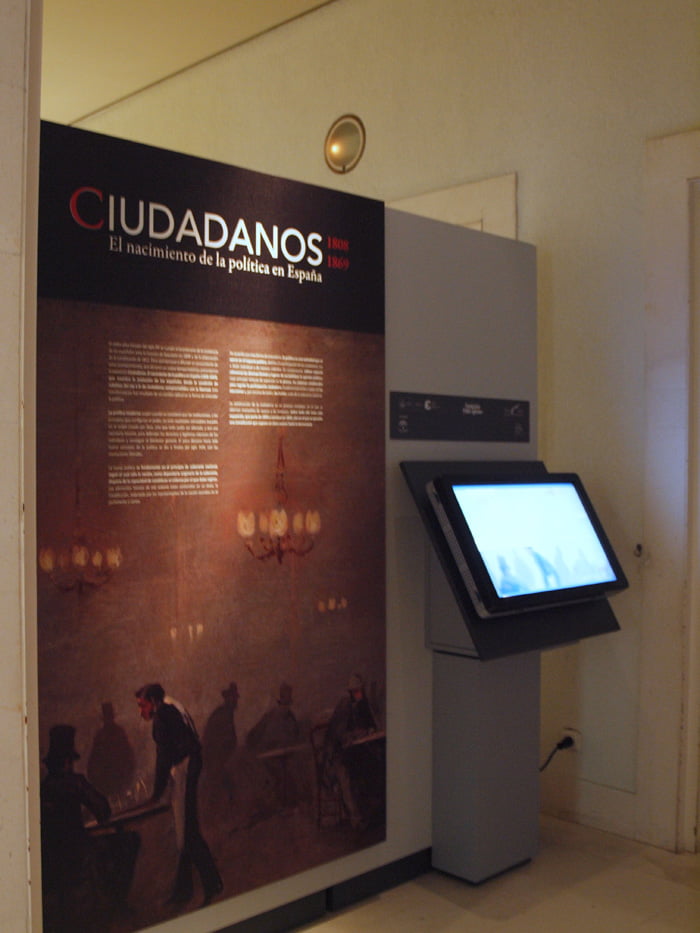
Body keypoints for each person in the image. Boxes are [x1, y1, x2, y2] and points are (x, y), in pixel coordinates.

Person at [40, 724, 139, 932]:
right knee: (129, 841)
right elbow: (103, 811)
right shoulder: (75, 782)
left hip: (52, 860)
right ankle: (117, 904)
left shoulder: (44, 788)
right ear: (67, 761)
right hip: (79, 854)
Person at [135, 683, 223, 908]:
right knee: (184, 833)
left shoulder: (162, 715)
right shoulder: (171, 706)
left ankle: (210, 885)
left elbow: (164, 757)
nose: (141, 711)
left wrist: (156, 793)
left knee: (187, 832)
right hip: (187, 766)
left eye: (143, 706)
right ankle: (185, 889)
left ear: (153, 701)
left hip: (185, 767)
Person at [323, 674, 377, 829]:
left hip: (355, 751)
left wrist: (368, 730)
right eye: (355, 691)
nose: (358, 694)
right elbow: (338, 735)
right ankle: (356, 817)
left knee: (372, 765)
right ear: (351, 692)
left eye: (360, 691)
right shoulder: (344, 706)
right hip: (337, 756)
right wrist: (354, 734)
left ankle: (371, 811)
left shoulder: (363, 705)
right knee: (348, 773)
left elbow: (371, 725)